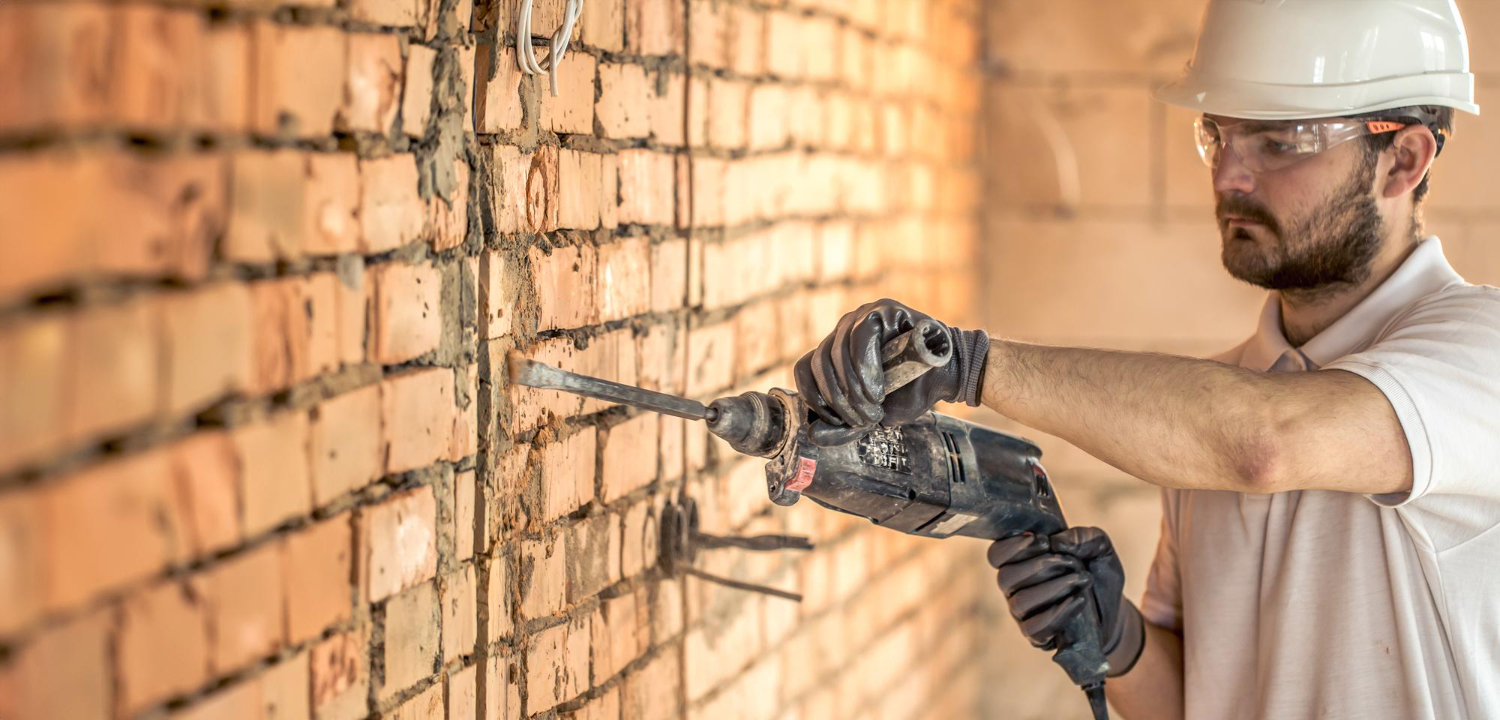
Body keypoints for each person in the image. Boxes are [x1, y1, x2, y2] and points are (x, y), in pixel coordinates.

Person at [792, 1, 1500, 718]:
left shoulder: (1482, 351)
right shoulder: (1214, 408)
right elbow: (1199, 701)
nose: (1229, 175)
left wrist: (967, 364)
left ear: (1402, 160)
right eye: (1216, 133)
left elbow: (1263, 442)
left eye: (1281, 141)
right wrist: (1115, 639)